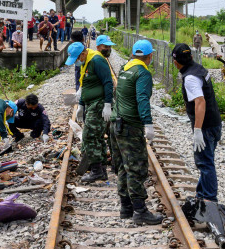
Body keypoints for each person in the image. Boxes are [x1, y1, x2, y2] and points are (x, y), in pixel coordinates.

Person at [110, 40, 163, 225]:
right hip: (130, 127)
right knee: (136, 168)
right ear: (150, 57)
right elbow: (142, 99)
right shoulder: (142, 73)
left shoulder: (125, 68)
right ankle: (140, 211)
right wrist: (148, 123)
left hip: (116, 124)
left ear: (133, 54)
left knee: (124, 167)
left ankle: (126, 208)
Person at [172, 42, 223, 202]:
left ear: (175, 62)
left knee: (205, 163)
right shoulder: (199, 69)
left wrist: (198, 130)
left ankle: (209, 201)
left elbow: (200, 101)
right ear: (191, 57)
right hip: (214, 122)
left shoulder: (190, 78)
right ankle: (202, 195)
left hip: (206, 127)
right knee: (207, 161)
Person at [65, 35, 115, 183]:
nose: (76, 62)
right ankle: (100, 170)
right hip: (91, 103)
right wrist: (81, 104)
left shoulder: (97, 60)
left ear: (82, 53)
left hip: (99, 104)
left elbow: (108, 82)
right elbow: (85, 85)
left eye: (76, 58)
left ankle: (97, 170)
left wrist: (107, 104)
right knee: (96, 137)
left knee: (89, 136)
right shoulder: (86, 62)